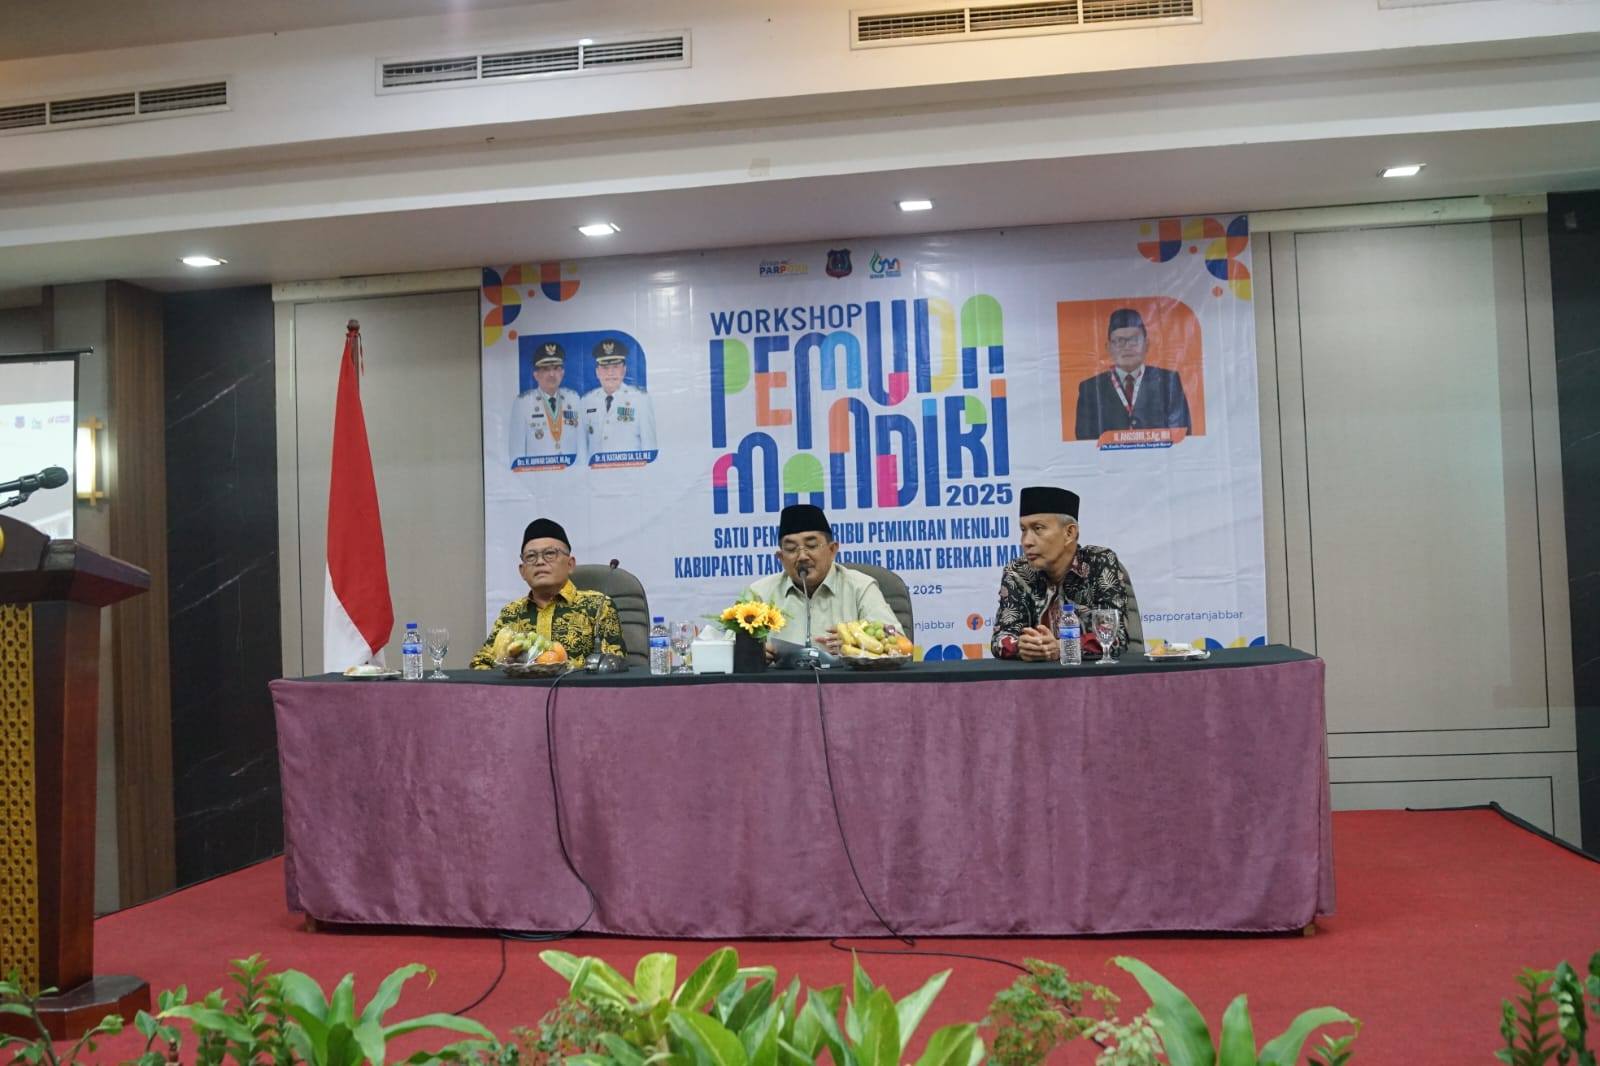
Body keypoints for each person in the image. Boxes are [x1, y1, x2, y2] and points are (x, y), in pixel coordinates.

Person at [990, 486, 1143, 661]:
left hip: (1094, 675)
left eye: (1038, 528)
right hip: (1039, 676)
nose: (1026, 541)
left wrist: (1062, 647)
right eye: (1023, 530)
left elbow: (1115, 636)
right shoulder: (1018, 571)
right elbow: (1001, 638)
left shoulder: (1100, 562)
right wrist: (1022, 646)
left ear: (1069, 533)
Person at [741, 503, 899, 656]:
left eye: (811, 546)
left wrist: (858, 643)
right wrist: (752, 653)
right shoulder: (759, 593)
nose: (802, 556)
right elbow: (732, 647)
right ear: (781, 557)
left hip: (845, 675)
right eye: (791, 549)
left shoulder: (860, 587)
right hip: (782, 675)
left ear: (832, 549)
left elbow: (897, 641)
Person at [470, 518, 624, 668]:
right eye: (531, 556)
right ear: (522, 571)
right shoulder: (511, 613)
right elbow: (481, 662)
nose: (539, 562)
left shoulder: (598, 606)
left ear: (570, 564)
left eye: (549, 553)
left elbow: (612, 664)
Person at [1074, 308, 1192, 439]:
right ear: (1108, 348)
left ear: (1146, 344)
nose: (1127, 346)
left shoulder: (1168, 381)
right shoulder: (1090, 388)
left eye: (1134, 340)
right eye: (1119, 341)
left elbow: (1182, 432)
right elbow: (1084, 439)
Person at [508, 341, 581, 469]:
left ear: (562, 372)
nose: (552, 374)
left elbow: (582, 445)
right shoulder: (523, 403)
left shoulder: (574, 399)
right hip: (538, 475)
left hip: (572, 473)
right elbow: (516, 452)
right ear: (536, 375)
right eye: (546, 369)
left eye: (556, 368)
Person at [581, 337, 657, 459]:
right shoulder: (586, 401)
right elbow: (582, 450)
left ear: (624, 370)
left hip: (630, 470)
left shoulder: (640, 400)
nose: (610, 373)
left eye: (616, 366)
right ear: (597, 372)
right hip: (595, 471)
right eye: (605, 368)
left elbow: (649, 447)